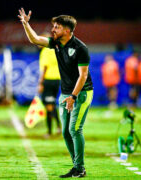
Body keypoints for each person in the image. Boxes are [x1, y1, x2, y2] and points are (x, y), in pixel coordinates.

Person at [18, 8, 93, 177]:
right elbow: (35, 39)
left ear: (67, 30)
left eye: (57, 27)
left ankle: (79, 167)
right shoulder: (57, 43)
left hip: (82, 93)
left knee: (75, 130)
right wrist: (26, 24)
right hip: (65, 93)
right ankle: (78, 167)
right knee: (66, 132)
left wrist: (73, 97)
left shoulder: (81, 48)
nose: (53, 30)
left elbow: (83, 76)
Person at [37, 33, 61, 138]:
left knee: (48, 106)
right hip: (57, 81)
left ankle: (49, 132)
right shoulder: (56, 50)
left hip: (48, 80)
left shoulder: (45, 51)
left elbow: (45, 68)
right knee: (52, 104)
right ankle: (59, 127)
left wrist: (40, 83)